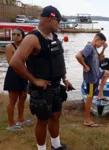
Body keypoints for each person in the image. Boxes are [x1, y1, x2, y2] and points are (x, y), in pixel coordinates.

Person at [9, 5, 74, 150]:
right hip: (41, 89)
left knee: (56, 116)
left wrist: (65, 79)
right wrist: (34, 80)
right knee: (43, 121)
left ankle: (56, 146)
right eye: (58, 20)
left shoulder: (54, 37)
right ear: (50, 18)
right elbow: (15, 62)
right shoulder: (33, 38)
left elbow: (58, 61)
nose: (59, 24)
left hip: (56, 86)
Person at [75, 33, 109, 127]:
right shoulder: (89, 47)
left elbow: (99, 58)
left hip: (96, 74)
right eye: (101, 43)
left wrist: (104, 49)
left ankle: (100, 95)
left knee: (106, 73)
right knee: (89, 98)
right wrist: (85, 66)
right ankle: (87, 120)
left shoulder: (94, 48)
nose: (101, 45)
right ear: (97, 39)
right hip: (91, 78)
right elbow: (78, 56)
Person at [3, 28, 31, 131]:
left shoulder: (25, 46)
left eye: (18, 34)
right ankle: (11, 124)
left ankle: (21, 119)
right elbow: (11, 63)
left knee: (23, 97)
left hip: (23, 74)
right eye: (13, 34)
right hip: (13, 74)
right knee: (13, 100)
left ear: (23, 36)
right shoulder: (9, 47)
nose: (15, 36)